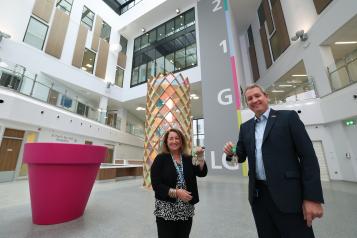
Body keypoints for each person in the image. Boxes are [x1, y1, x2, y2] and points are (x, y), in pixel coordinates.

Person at [223, 84, 324, 238]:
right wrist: (231, 153)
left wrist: (312, 198)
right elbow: (241, 156)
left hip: (289, 197)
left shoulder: (288, 117)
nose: (254, 100)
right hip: (259, 198)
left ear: (266, 96)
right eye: (249, 98)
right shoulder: (245, 128)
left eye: (257, 96)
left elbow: (308, 157)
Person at [150, 128, 208, 238]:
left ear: (181, 141)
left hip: (186, 210)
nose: (174, 141)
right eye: (171, 138)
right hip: (166, 210)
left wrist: (200, 156)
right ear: (166, 142)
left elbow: (201, 172)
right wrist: (176, 192)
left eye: (177, 138)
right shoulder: (160, 159)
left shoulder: (188, 158)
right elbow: (156, 185)